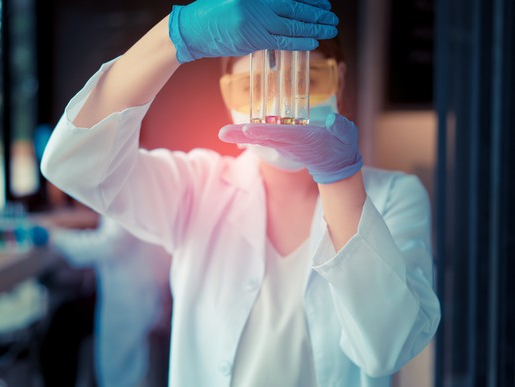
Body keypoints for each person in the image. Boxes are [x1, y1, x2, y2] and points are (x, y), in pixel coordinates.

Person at [41, 1, 441, 386]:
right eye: (254, 86)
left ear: (340, 80)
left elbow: (388, 349)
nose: (281, 103)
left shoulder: (393, 197)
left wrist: (340, 180)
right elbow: (74, 165)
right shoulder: (196, 186)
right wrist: (175, 35)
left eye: (306, 79)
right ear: (226, 94)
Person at [40, 215, 171, 387]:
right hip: (145, 285)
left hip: (131, 294)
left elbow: (110, 244)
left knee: (125, 370)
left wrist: (55, 238)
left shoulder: (127, 189)